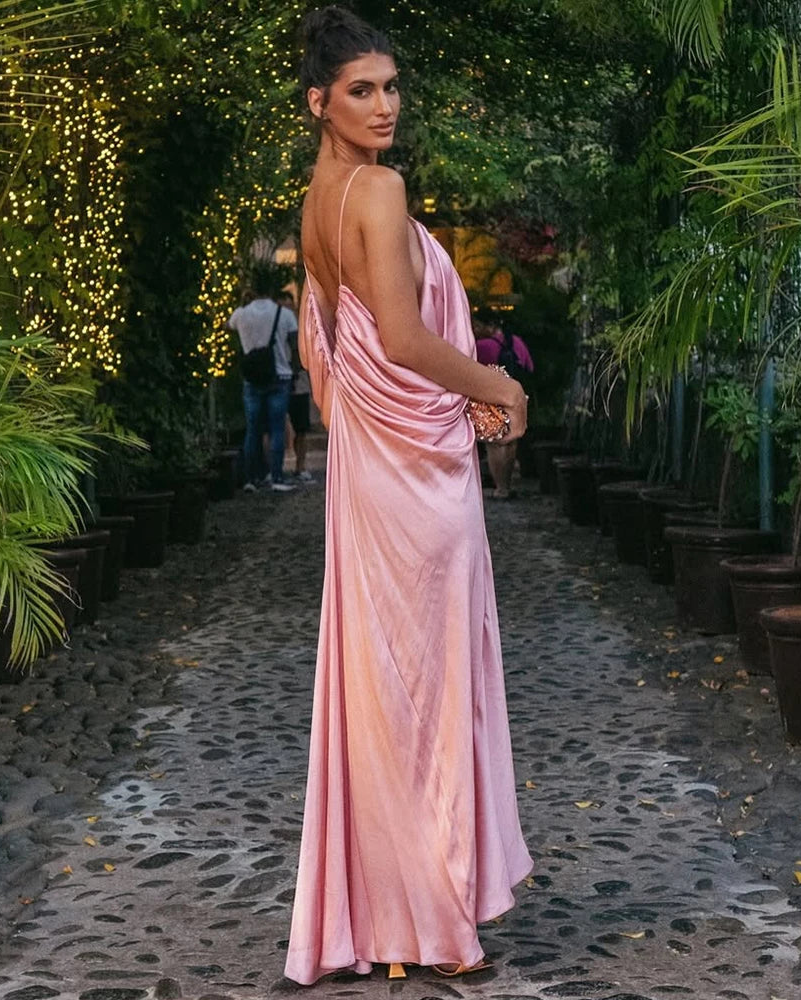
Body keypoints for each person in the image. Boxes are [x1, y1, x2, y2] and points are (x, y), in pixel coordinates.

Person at [285, 6, 532, 986]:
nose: (384, 106)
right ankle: (429, 921)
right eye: (361, 90)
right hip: (415, 476)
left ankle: (386, 916)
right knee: (425, 689)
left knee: (383, 686)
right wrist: (496, 384)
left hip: (373, 467)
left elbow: (330, 359)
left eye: (390, 87)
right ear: (320, 101)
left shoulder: (317, 198)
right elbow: (396, 336)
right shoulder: (376, 191)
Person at [229, 270, 297, 492]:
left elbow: (228, 326)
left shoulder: (241, 314)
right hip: (279, 374)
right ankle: (276, 475)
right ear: (271, 290)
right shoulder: (284, 314)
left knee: (253, 429)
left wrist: (242, 301)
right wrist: (295, 371)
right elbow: (294, 345)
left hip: (252, 377)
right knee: (277, 428)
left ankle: (251, 478)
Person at [474, 312, 535, 499]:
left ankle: (500, 486)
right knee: (511, 441)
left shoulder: (481, 346)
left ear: (488, 326)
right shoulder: (516, 341)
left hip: (491, 395)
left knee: (495, 443)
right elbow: (530, 366)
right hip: (515, 393)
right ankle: (507, 483)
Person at [281, 289, 314, 482]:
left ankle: (300, 465)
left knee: (301, 427)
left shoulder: (300, 325)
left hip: (297, 380)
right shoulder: (282, 325)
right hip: (285, 378)